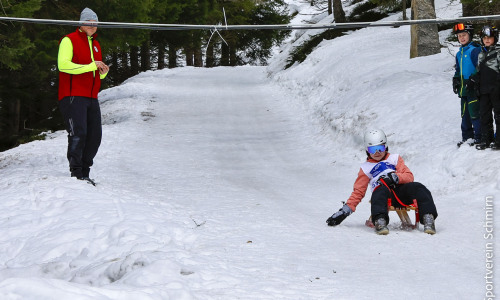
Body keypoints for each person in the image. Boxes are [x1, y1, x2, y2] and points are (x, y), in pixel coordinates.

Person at [326, 129, 438, 235]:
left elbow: (409, 176)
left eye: (380, 148)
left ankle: (428, 218)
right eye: (373, 149)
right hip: (382, 195)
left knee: (418, 187)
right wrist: (345, 211)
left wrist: (395, 177)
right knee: (380, 190)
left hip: (401, 192)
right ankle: (380, 220)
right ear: (367, 150)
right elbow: (358, 192)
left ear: (386, 146)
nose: (377, 152)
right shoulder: (365, 168)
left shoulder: (395, 158)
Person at [58, 8, 110, 184]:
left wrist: (102, 72)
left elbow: (94, 73)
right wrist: (91, 65)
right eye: (89, 22)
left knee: (95, 135)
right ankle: (77, 172)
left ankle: (85, 171)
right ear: (81, 23)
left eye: (95, 23)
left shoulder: (96, 44)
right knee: (78, 132)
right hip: (73, 95)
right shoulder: (69, 40)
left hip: (91, 97)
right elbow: (63, 65)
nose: (92, 25)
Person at [452, 23, 482, 147]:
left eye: (464, 35)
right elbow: (458, 70)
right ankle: (467, 137)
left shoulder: (475, 50)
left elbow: (480, 66)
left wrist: (473, 79)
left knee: (475, 113)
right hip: (464, 90)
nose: (462, 38)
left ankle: (479, 137)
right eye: (459, 36)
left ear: (469, 35)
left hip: (474, 89)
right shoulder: (459, 53)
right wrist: (456, 79)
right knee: (464, 114)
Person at [472, 25, 500, 150]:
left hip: (496, 89)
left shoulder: (498, 52)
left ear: (495, 38)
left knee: (498, 115)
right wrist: (474, 80)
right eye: (484, 38)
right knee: (484, 115)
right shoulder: (481, 54)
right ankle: (486, 139)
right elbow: (479, 69)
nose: (487, 40)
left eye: (489, 37)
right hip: (484, 90)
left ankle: (498, 140)